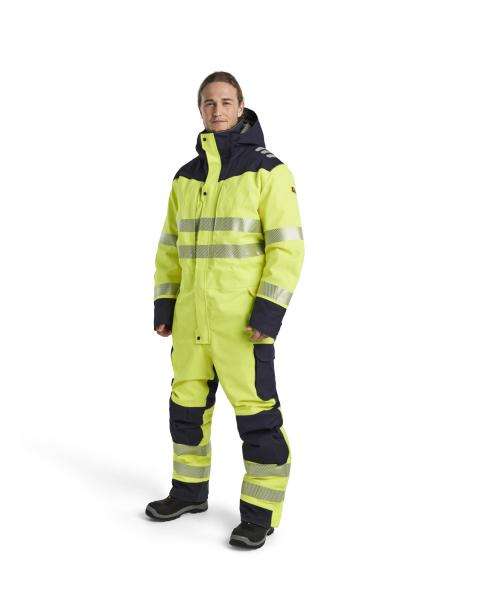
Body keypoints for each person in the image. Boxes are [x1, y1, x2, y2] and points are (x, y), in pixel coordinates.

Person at [146, 71, 304, 549]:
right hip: (191, 322)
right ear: (200, 110)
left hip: (243, 325)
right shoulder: (185, 178)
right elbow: (169, 247)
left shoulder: (268, 172)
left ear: (241, 106)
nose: (218, 111)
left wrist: (267, 313)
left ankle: (259, 513)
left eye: (226, 102)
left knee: (257, 418)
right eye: (209, 103)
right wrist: (165, 304)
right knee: (186, 410)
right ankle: (188, 492)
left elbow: (287, 249)